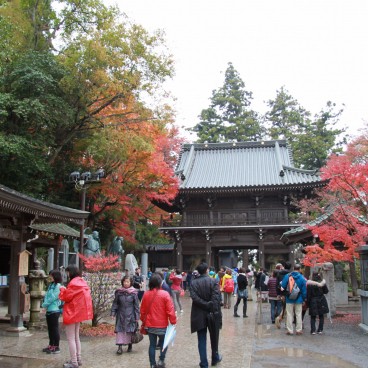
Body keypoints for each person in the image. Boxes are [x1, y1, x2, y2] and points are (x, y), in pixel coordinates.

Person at [59, 264, 93, 368]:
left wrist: (62, 289)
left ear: (71, 272)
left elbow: (66, 297)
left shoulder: (73, 283)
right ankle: (78, 358)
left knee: (70, 338)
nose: (67, 274)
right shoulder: (82, 282)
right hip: (79, 313)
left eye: (68, 272)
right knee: (76, 337)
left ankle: (74, 362)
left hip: (72, 313)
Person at [140, 273, 177, 368]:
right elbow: (170, 310)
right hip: (162, 325)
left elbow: (142, 310)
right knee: (163, 344)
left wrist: (144, 320)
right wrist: (173, 322)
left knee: (152, 345)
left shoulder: (146, 294)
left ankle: (152, 364)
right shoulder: (165, 294)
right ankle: (161, 360)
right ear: (160, 283)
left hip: (150, 325)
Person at [190, 262, 222, 368]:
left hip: (199, 313)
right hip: (212, 312)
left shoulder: (193, 283)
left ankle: (204, 363)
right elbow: (216, 298)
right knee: (214, 337)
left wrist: (204, 304)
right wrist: (210, 305)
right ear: (207, 270)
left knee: (201, 339)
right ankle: (215, 357)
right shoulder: (213, 281)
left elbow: (194, 297)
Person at [111, 275, 140, 354]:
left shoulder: (134, 293)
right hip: (120, 314)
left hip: (131, 315)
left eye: (128, 282)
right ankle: (119, 347)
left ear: (130, 283)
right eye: (124, 281)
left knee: (129, 331)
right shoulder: (119, 292)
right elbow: (115, 303)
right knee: (119, 331)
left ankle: (130, 344)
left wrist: (137, 316)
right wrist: (113, 313)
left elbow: (136, 306)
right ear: (122, 282)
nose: (126, 283)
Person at [281, 264, 307, 335]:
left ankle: (290, 330)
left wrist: (283, 295)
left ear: (293, 268)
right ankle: (298, 330)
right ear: (300, 269)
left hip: (289, 298)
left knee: (289, 314)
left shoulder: (287, 276)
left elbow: (282, 286)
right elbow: (304, 290)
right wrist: (304, 299)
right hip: (299, 299)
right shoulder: (302, 278)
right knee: (298, 314)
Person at [41, 270, 63, 354]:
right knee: (50, 329)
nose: (49, 277)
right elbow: (47, 296)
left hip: (54, 310)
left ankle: (56, 346)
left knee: (55, 329)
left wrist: (44, 305)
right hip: (49, 310)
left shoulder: (58, 286)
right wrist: (45, 305)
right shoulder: (51, 285)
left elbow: (53, 297)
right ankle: (51, 344)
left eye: (51, 275)